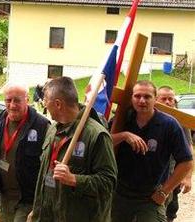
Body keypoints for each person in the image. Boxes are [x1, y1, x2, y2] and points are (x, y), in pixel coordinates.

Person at [30, 76, 117, 222]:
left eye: (46, 101)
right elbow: (45, 176)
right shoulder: (53, 129)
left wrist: (74, 179)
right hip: (48, 214)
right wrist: (37, 211)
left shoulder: (96, 135)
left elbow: (108, 183)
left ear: (58, 104)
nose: (44, 105)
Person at [111, 80, 193, 222]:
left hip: (150, 197)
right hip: (120, 194)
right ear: (131, 98)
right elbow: (103, 142)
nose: (142, 100)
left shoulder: (169, 125)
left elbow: (186, 161)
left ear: (155, 99)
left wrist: (164, 191)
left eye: (147, 96)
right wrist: (124, 135)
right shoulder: (122, 119)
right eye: (137, 96)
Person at [0, 83, 49, 222]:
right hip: (5, 197)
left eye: (17, 100)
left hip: (28, 199)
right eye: (8, 100)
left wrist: (42, 203)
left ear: (27, 99)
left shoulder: (42, 126)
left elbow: (48, 165)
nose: (12, 105)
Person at [156, 85, 193, 222]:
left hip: (173, 174)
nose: (167, 102)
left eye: (170, 99)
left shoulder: (181, 120)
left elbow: (189, 149)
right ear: (156, 99)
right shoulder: (149, 116)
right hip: (152, 174)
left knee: (171, 209)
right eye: (163, 99)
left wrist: (188, 177)